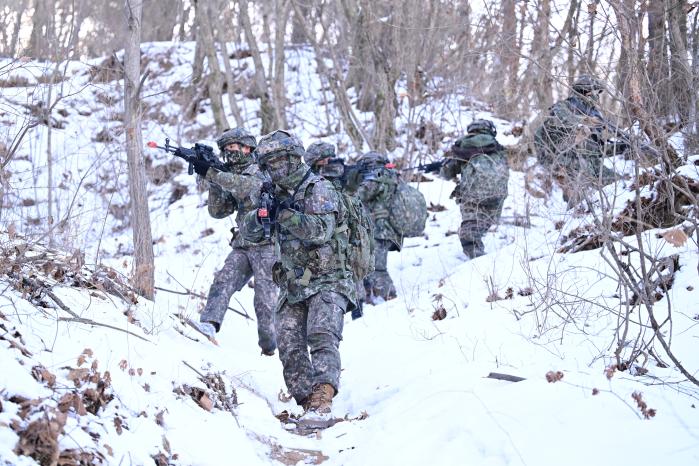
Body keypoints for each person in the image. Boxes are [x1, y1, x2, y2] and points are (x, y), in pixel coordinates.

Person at [241, 130, 357, 417]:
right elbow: (249, 232)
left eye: (281, 159)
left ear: (294, 158)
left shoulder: (319, 188)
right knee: (289, 344)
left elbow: (320, 231)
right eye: (270, 161)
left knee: (322, 335)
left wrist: (283, 214)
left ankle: (323, 398)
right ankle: (308, 403)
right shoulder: (272, 192)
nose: (276, 166)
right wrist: (261, 215)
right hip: (294, 284)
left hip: (330, 278)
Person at [195, 128, 278, 355]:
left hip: (268, 245)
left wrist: (213, 174)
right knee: (223, 281)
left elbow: (247, 187)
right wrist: (212, 181)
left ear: (247, 148)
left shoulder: (261, 170)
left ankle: (271, 345)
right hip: (243, 243)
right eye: (226, 149)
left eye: (234, 147)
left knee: (265, 301)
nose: (230, 153)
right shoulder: (228, 174)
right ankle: (209, 324)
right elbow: (218, 211)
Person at [305, 142, 372, 320]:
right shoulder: (327, 174)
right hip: (339, 231)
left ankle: (357, 311)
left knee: (350, 266)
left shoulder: (337, 173)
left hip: (345, 231)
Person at [534, 75, 620, 207]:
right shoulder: (563, 108)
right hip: (569, 167)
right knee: (580, 207)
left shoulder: (594, 114)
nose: (596, 97)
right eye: (594, 92)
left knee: (620, 186)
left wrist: (622, 147)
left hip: (594, 167)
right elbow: (565, 122)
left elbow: (596, 151)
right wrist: (587, 122)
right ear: (584, 92)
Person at [439, 119, 509, 258]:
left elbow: (447, 173)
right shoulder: (497, 147)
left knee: (470, 232)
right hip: (497, 196)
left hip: (471, 196)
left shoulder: (462, 147)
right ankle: (479, 260)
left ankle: (476, 261)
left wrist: (442, 166)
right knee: (482, 223)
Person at [355, 151, 401, 303]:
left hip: (380, 231)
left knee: (377, 269)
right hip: (390, 229)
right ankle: (371, 294)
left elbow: (357, 197)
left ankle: (391, 300)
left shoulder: (375, 179)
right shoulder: (392, 176)